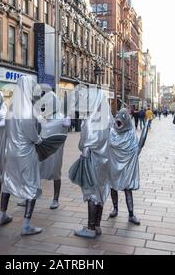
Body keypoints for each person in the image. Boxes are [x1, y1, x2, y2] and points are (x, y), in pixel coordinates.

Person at [0, 76, 44, 236]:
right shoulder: (27, 109)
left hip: (10, 152)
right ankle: (26, 225)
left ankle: (2, 215)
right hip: (25, 153)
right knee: (31, 186)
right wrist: (39, 140)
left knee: (8, 183)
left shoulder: (11, 108)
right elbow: (32, 134)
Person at [71, 88, 112, 239]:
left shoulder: (91, 120)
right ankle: (97, 225)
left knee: (91, 194)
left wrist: (83, 148)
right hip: (105, 162)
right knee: (100, 193)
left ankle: (90, 228)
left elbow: (84, 144)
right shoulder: (108, 119)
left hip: (92, 162)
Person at [108, 109, 148, 226]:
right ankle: (115, 209)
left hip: (127, 166)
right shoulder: (111, 132)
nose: (118, 122)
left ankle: (131, 214)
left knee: (127, 189)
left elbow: (137, 148)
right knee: (112, 187)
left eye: (121, 120)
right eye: (117, 119)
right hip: (114, 163)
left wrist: (145, 130)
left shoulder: (130, 133)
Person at [37, 91, 70, 209]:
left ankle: (56, 198)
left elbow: (65, 131)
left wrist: (68, 121)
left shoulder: (62, 119)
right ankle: (31, 195)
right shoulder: (41, 118)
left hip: (56, 151)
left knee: (56, 173)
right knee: (36, 172)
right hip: (41, 149)